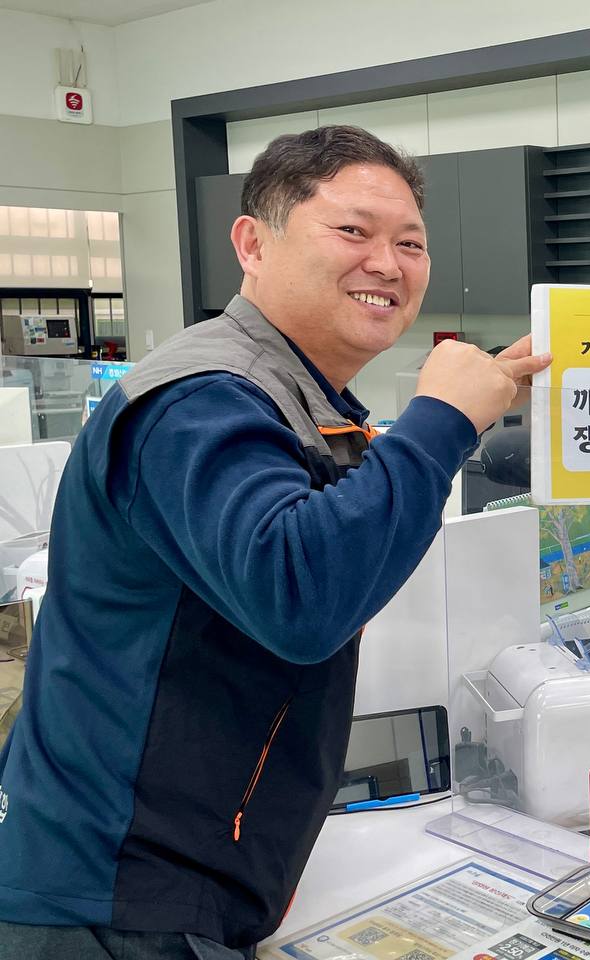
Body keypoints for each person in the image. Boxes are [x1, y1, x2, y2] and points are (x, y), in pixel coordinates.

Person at [0, 126, 551, 959]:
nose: (388, 263)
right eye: (353, 231)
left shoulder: (293, 396)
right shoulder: (201, 399)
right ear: (253, 244)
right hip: (116, 895)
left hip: (184, 878)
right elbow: (299, 594)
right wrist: (441, 422)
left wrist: (466, 411)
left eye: (410, 243)